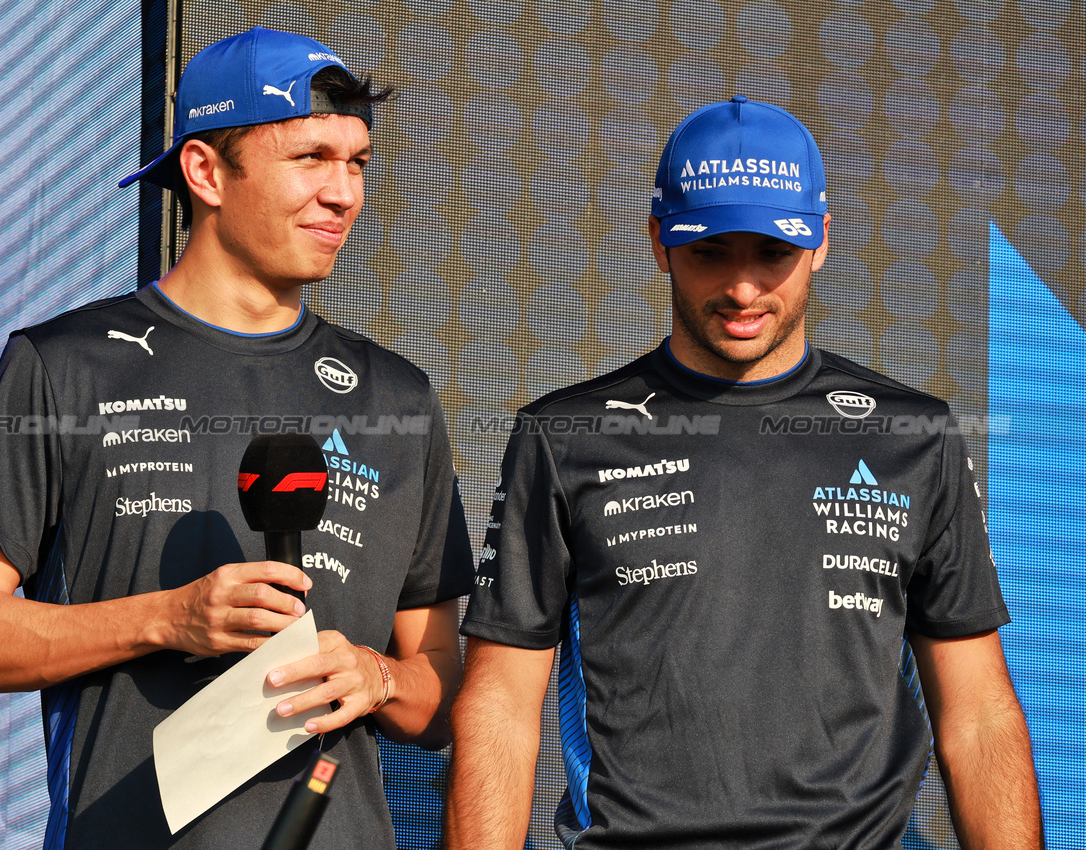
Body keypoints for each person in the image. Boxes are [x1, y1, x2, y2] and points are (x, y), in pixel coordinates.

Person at [0, 26, 474, 849]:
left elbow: (443, 695)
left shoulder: (397, 396)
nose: (343, 193)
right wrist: (166, 619)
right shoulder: (64, 365)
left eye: (357, 163)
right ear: (205, 171)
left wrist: (379, 676)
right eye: (311, 158)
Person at [444, 95, 1042, 848]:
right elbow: (500, 702)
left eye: (772, 252)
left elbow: (977, 712)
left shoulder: (914, 435)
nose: (742, 288)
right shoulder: (564, 436)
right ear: (658, 241)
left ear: (820, 241)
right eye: (710, 251)